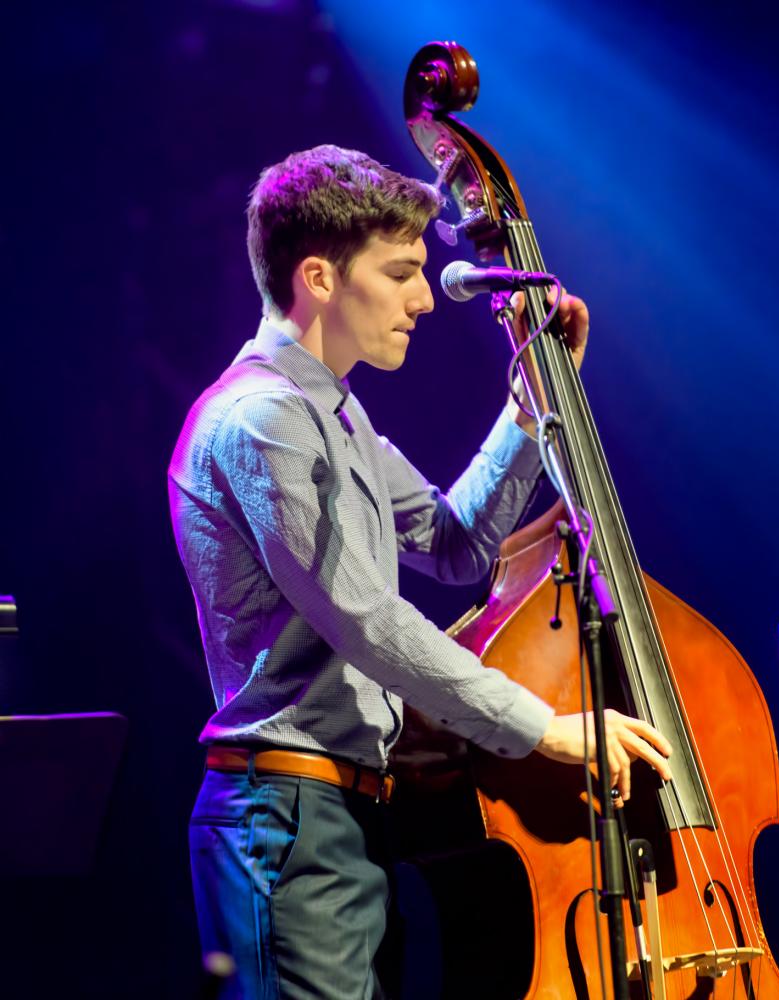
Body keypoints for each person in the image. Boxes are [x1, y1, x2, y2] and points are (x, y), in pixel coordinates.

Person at [168, 144, 672, 999]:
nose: (424, 297)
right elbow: (366, 619)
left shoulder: (334, 412)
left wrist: (529, 411)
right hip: (288, 818)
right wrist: (542, 729)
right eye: (402, 271)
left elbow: (453, 543)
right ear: (321, 277)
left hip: (346, 818)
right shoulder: (263, 418)